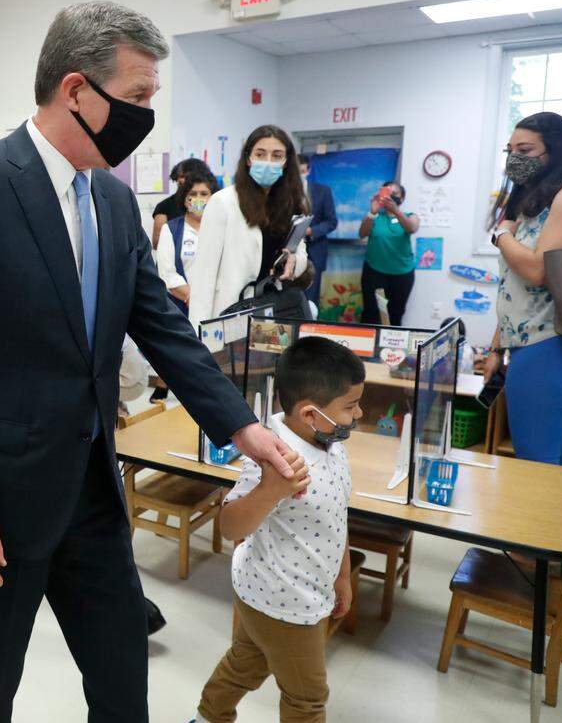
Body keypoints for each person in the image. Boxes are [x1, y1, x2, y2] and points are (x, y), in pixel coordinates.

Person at [0, 1, 305, 723]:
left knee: (123, 677)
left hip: (92, 491)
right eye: (139, 97)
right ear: (76, 90)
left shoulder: (115, 203)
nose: (148, 115)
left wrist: (244, 429)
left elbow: (164, 329)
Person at [194, 337, 365, 723]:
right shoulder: (271, 456)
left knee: (246, 662)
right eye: (350, 406)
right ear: (310, 414)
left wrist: (343, 575)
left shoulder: (330, 442)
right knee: (307, 699)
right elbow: (230, 524)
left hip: (285, 590)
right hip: (286, 601)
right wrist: (270, 490)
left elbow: (339, 514)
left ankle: (208, 716)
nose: (359, 414)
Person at [485, 111, 562, 466]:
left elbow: (536, 270)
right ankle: (560, 523)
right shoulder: (531, 202)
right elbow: (513, 286)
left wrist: (501, 235)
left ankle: (540, 524)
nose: (515, 157)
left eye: (526, 149)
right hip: (529, 341)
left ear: (557, 150)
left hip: (556, 340)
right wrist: (495, 346)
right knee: (553, 457)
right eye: (510, 149)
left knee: (537, 459)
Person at [187, 125, 310, 330]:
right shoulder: (224, 202)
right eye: (260, 154)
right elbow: (203, 274)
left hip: (273, 308)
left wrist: (294, 261)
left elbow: (300, 250)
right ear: (248, 158)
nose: (268, 161)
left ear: (287, 161)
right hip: (231, 310)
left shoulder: (289, 203)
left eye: (277, 155)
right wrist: (199, 331)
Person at [156, 169, 218, 315]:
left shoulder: (221, 229)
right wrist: (195, 299)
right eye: (192, 194)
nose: (198, 198)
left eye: (204, 194)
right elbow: (167, 273)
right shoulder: (170, 229)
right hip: (182, 308)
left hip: (217, 307)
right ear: (184, 199)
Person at [358, 181, 419, 326]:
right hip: (374, 272)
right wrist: (372, 212)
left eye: (395, 194)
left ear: (402, 198)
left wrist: (396, 211)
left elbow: (411, 228)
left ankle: (392, 347)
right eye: (387, 193)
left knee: (395, 314)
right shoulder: (375, 217)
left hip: (402, 274)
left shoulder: (410, 216)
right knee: (370, 313)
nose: (391, 197)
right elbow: (362, 233)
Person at [297, 154, 337, 305]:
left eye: (301, 171)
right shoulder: (283, 192)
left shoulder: (323, 191)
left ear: (308, 170)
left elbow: (332, 222)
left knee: (311, 299)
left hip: (315, 251)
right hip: (289, 253)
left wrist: (311, 231)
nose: (298, 176)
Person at [151, 158, 211, 250]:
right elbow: (156, 243)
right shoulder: (164, 206)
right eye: (180, 176)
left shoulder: (213, 203)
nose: (181, 180)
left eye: (186, 176)